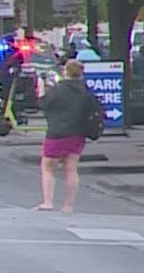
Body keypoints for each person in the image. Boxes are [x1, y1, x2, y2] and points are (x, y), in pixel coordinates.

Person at [37, 59, 99, 213]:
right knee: (71, 169)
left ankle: (48, 202)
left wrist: (41, 88)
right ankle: (68, 206)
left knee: (48, 168)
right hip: (77, 134)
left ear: (66, 72)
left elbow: (44, 104)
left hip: (56, 133)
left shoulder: (58, 89)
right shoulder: (85, 92)